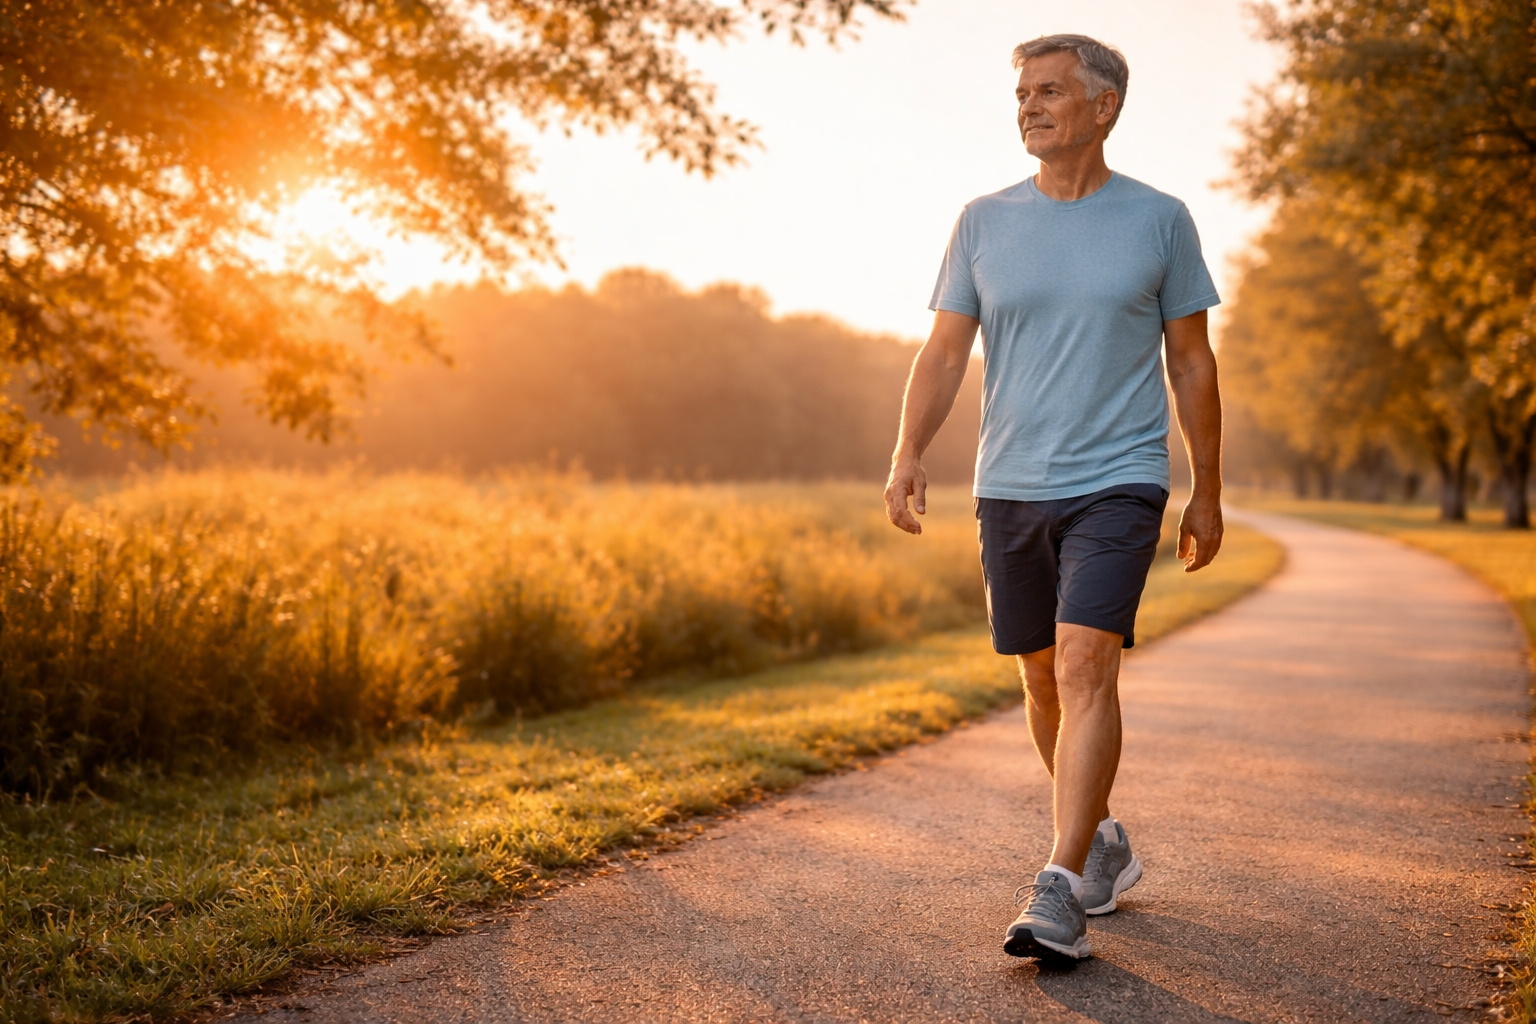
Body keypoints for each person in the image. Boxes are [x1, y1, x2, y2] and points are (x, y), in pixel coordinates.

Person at [882, 33, 1224, 961]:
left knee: (1083, 664)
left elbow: (1190, 360)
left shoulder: (1160, 220)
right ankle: (1103, 839)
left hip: (1120, 479)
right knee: (1039, 674)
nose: (1028, 107)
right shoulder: (983, 221)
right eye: (1022, 94)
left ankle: (1061, 885)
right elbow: (946, 351)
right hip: (1011, 483)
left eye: (1049, 92)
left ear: (1103, 106)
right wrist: (909, 448)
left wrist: (1206, 488)